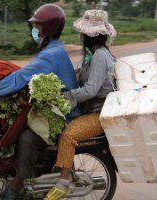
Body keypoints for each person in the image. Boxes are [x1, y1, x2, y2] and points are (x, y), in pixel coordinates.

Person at [0, 4, 81, 200]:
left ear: (48, 29)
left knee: (27, 138)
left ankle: (18, 184)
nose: (35, 31)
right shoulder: (53, 49)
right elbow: (26, 73)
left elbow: (19, 77)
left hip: (62, 115)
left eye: (38, 28)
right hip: (53, 106)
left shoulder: (51, 54)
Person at [45, 9, 117, 200]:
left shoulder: (101, 56)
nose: (81, 35)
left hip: (98, 114)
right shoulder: (90, 54)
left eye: (83, 32)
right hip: (89, 109)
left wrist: (67, 96)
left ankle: (63, 183)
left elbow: (91, 90)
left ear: (91, 34)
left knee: (68, 136)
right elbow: (81, 76)